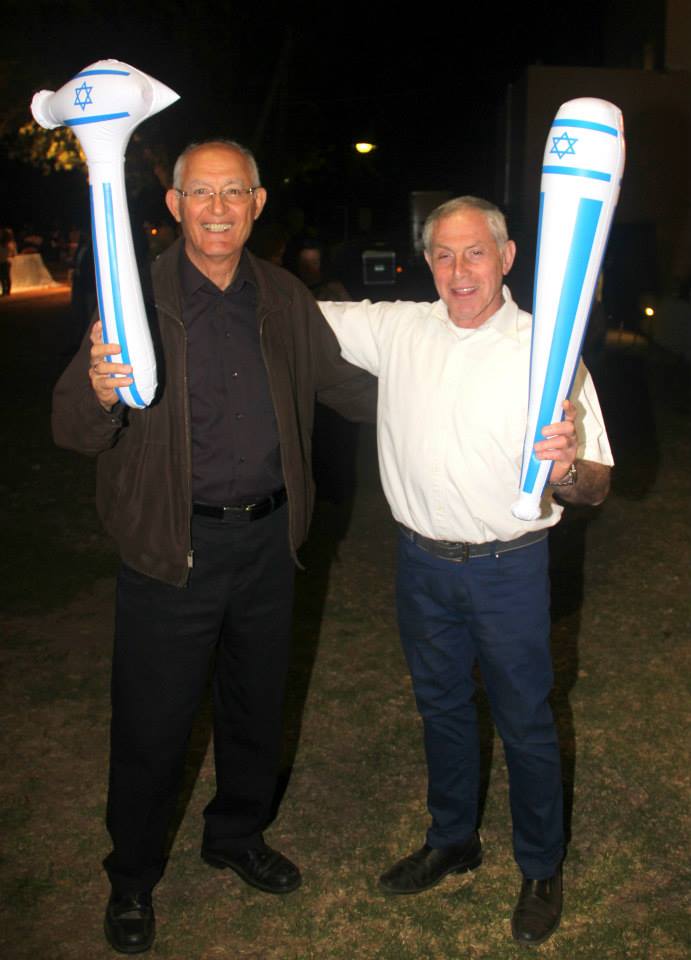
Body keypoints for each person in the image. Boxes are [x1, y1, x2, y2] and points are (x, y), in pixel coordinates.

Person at [52, 139, 375, 955]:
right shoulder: (133, 295)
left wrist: (457, 396)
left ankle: (236, 835)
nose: (219, 208)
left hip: (268, 542)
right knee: (152, 727)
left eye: (235, 192)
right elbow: (73, 428)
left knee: (255, 709)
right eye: (202, 192)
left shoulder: (284, 296)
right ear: (174, 205)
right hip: (172, 549)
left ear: (258, 204)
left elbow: (344, 385)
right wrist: (96, 389)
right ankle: (131, 877)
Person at [318, 196, 613, 947]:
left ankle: (540, 867)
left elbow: (596, 485)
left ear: (506, 258)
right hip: (421, 564)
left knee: (525, 722)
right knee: (441, 708)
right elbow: (291, 313)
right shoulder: (399, 330)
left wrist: (565, 467)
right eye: (443, 255)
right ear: (427, 262)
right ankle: (452, 839)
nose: (459, 271)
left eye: (474, 252)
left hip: (508, 569)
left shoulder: (548, 350)